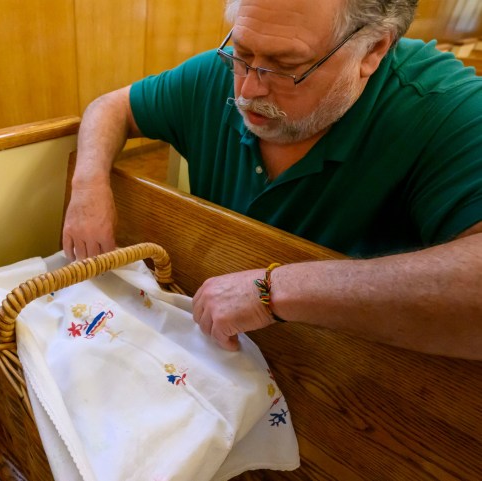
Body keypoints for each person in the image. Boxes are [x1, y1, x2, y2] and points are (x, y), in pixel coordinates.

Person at [63, 0, 482, 360]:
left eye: (286, 68)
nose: (246, 90)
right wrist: (88, 187)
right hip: (220, 349)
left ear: (373, 50)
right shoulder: (219, 73)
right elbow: (111, 107)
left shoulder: (448, 109)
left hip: (361, 385)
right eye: (241, 53)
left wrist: (275, 291)